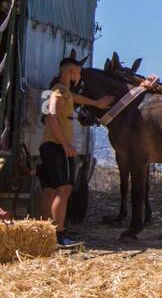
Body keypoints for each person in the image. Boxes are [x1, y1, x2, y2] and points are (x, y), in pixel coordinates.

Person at [38, 55, 112, 246]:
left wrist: (96, 104)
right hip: (56, 146)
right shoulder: (60, 92)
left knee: (49, 189)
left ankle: (43, 233)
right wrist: (65, 144)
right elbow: (51, 116)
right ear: (71, 73)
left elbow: (76, 98)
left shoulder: (62, 91)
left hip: (48, 145)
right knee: (64, 188)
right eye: (78, 73)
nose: (79, 77)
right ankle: (59, 234)